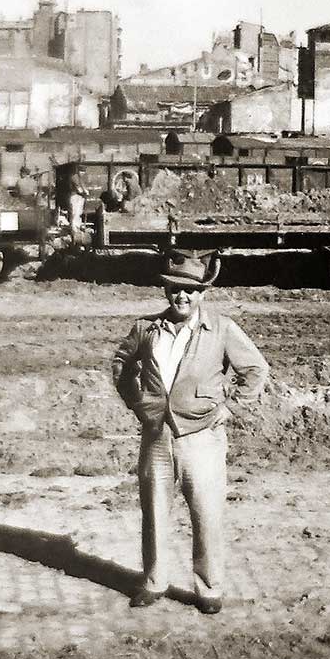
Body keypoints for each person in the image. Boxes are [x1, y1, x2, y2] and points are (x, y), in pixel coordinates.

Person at [110, 250, 268, 615]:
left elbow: (256, 370)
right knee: (154, 511)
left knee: (206, 513)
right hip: (156, 436)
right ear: (166, 291)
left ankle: (209, 588)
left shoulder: (222, 328)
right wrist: (138, 402)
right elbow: (121, 363)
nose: (181, 296)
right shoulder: (145, 328)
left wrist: (230, 408)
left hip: (202, 437)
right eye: (174, 289)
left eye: (190, 291)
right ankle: (153, 581)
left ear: (202, 293)